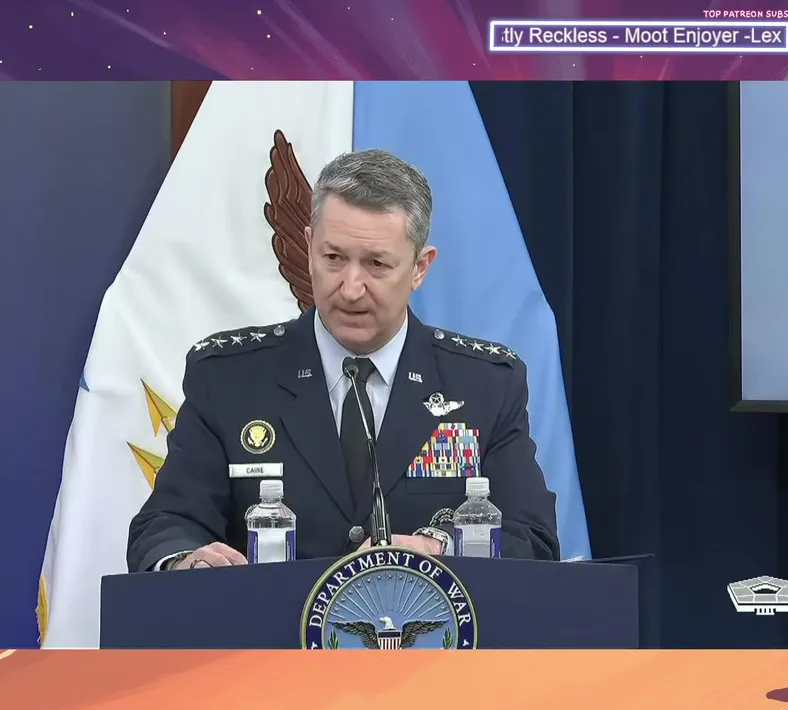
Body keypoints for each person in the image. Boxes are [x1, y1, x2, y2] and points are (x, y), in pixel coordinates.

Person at [126, 149, 560, 572]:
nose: (351, 289)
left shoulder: (484, 385)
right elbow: (166, 526)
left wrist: (438, 548)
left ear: (419, 267)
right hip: (271, 622)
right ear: (308, 247)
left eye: (377, 264)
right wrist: (186, 559)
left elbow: (533, 540)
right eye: (333, 258)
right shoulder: (229, 378)